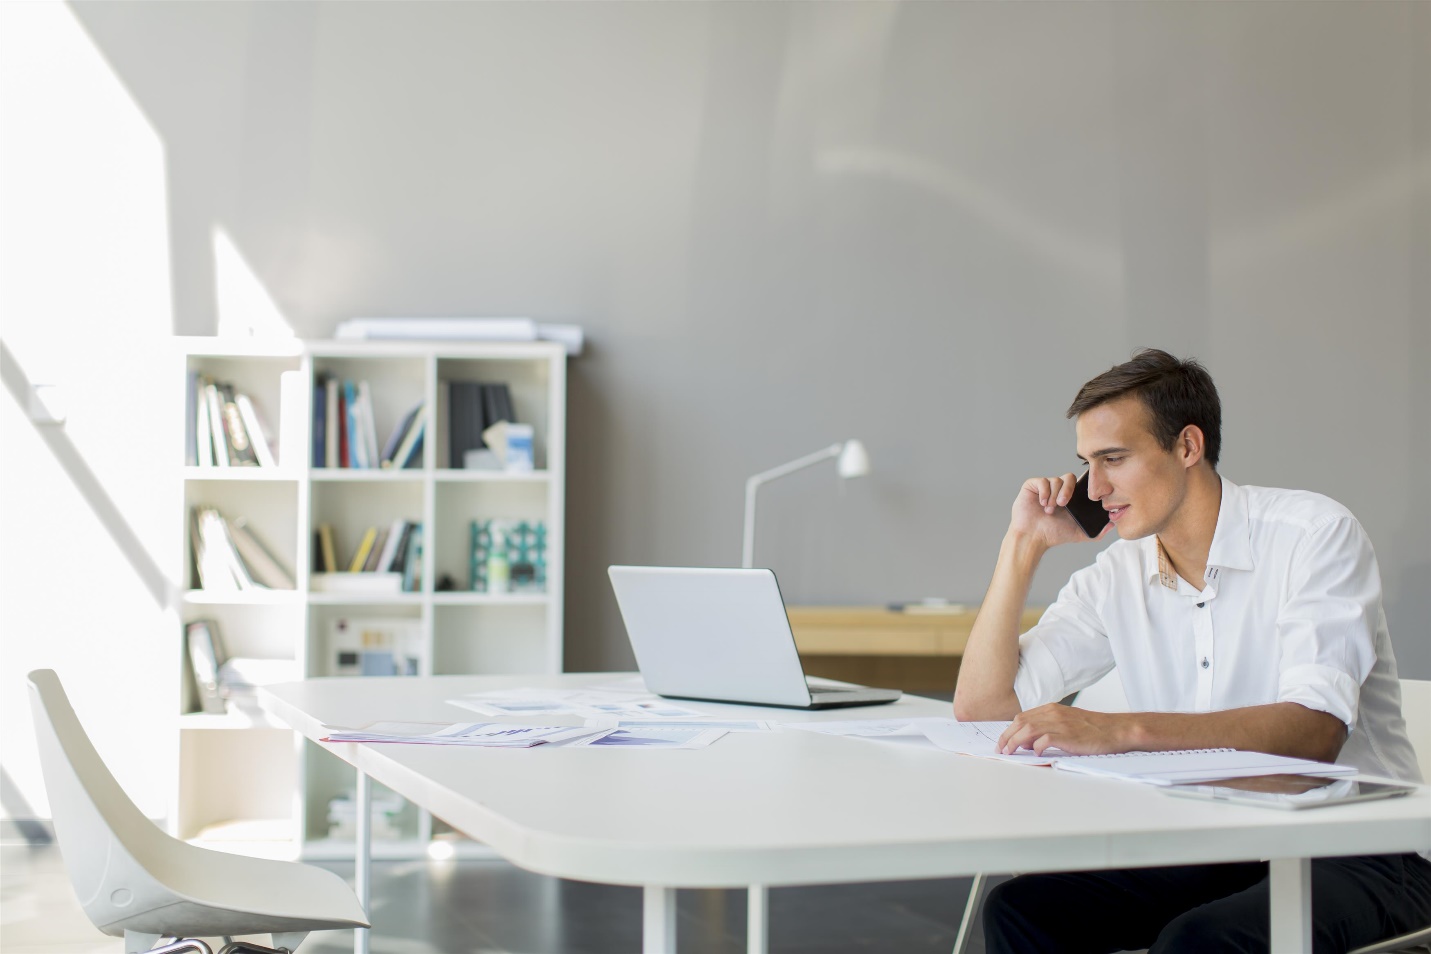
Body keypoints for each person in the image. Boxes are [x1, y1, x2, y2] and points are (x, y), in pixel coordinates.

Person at [952, 348, 1430, 954]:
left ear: (1187, 447)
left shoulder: (1314, 535)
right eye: (1086, 464)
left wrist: (1119, 730)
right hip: (1214, 843)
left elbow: (1313, 737)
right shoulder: (1117, 573)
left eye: (1114, 460)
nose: (1094, 489)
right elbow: (983, 707)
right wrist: (1023, 544)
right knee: (1023, 912)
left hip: (1359, 849)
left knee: (1201, 941)